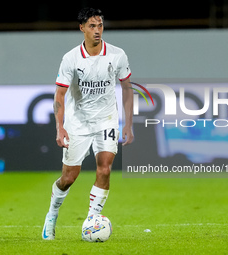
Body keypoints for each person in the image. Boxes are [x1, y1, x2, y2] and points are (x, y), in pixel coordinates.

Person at [42, 7, 134, 240]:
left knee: (105, 168)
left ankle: (92, 220)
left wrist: (128, 124)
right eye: (92, 26)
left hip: (107, 120)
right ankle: (52, 214)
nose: (97, 30)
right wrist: (60, 127)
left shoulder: (117, 55)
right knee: (69, 178)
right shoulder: (71, 58)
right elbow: (60, 95)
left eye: (100, 25)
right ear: (81, 28)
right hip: (78, 123)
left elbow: (126, 89)